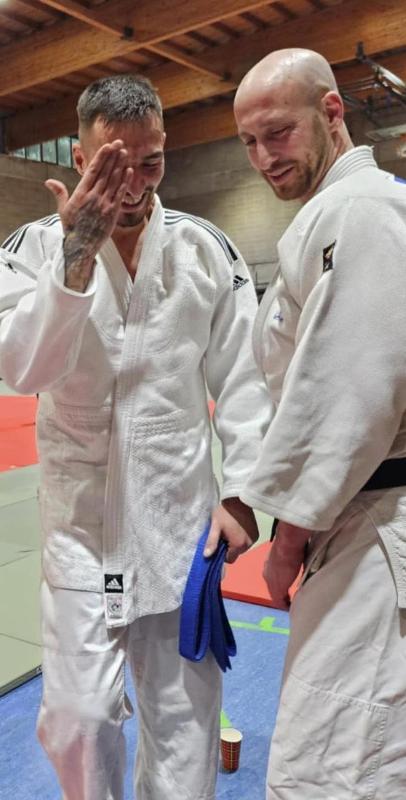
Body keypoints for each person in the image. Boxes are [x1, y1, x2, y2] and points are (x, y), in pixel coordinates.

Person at [0, 74, 270, 800]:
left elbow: (245, 377)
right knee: (81, 722)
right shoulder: (32, 248)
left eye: (151, 162)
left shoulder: (205, 248)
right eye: (112, 165)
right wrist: (74, 261)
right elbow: (22, 369)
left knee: (185, 729)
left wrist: (244, 492)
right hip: (79, 533)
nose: (133, 183)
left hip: (181, 527)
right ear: (79, 157)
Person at [232, 48, 406, 799]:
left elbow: (346, 393)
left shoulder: (358, 210)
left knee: (327, 772)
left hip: (378, 522)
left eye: (278, 132)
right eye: (249, 142)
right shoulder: (335, 215)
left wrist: (287, 540)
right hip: (360, 519)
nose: (264, 157)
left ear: (331, 111)